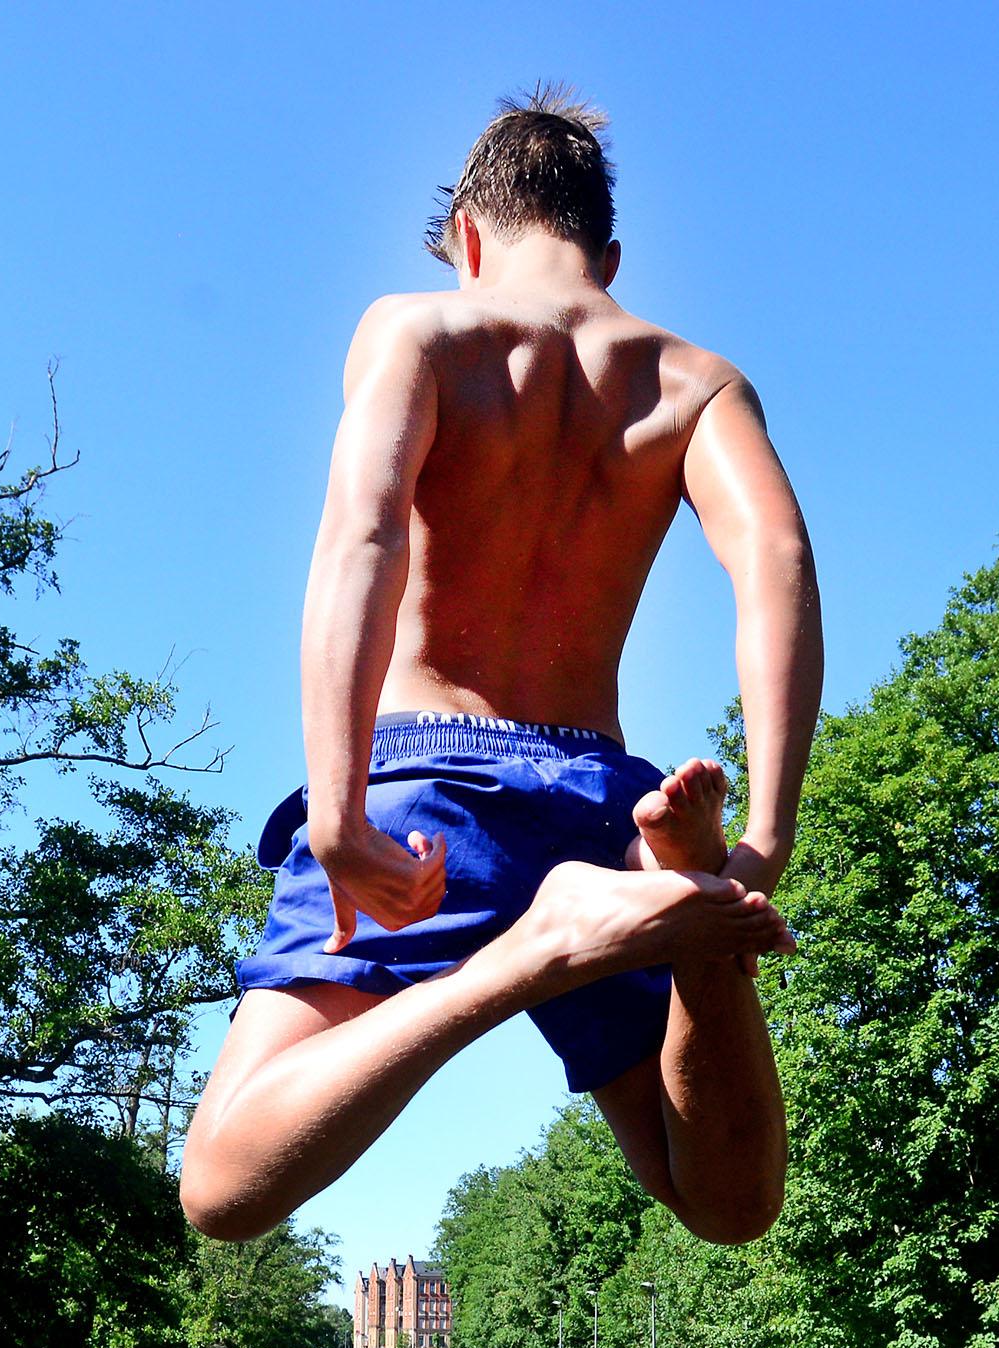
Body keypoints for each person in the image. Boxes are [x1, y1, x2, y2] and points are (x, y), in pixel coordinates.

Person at [178, 89, 820, 1247]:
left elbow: (362, 537)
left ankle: (527, 953)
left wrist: (335, 812)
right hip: (601, 793)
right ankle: (681, 899)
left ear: (468, 239)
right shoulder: (697, 384)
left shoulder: (419, 331)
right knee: (728, 1206)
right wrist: (757, 846)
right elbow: (776, 559)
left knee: (224, 1182)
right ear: (607, 255)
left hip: (424, 784)